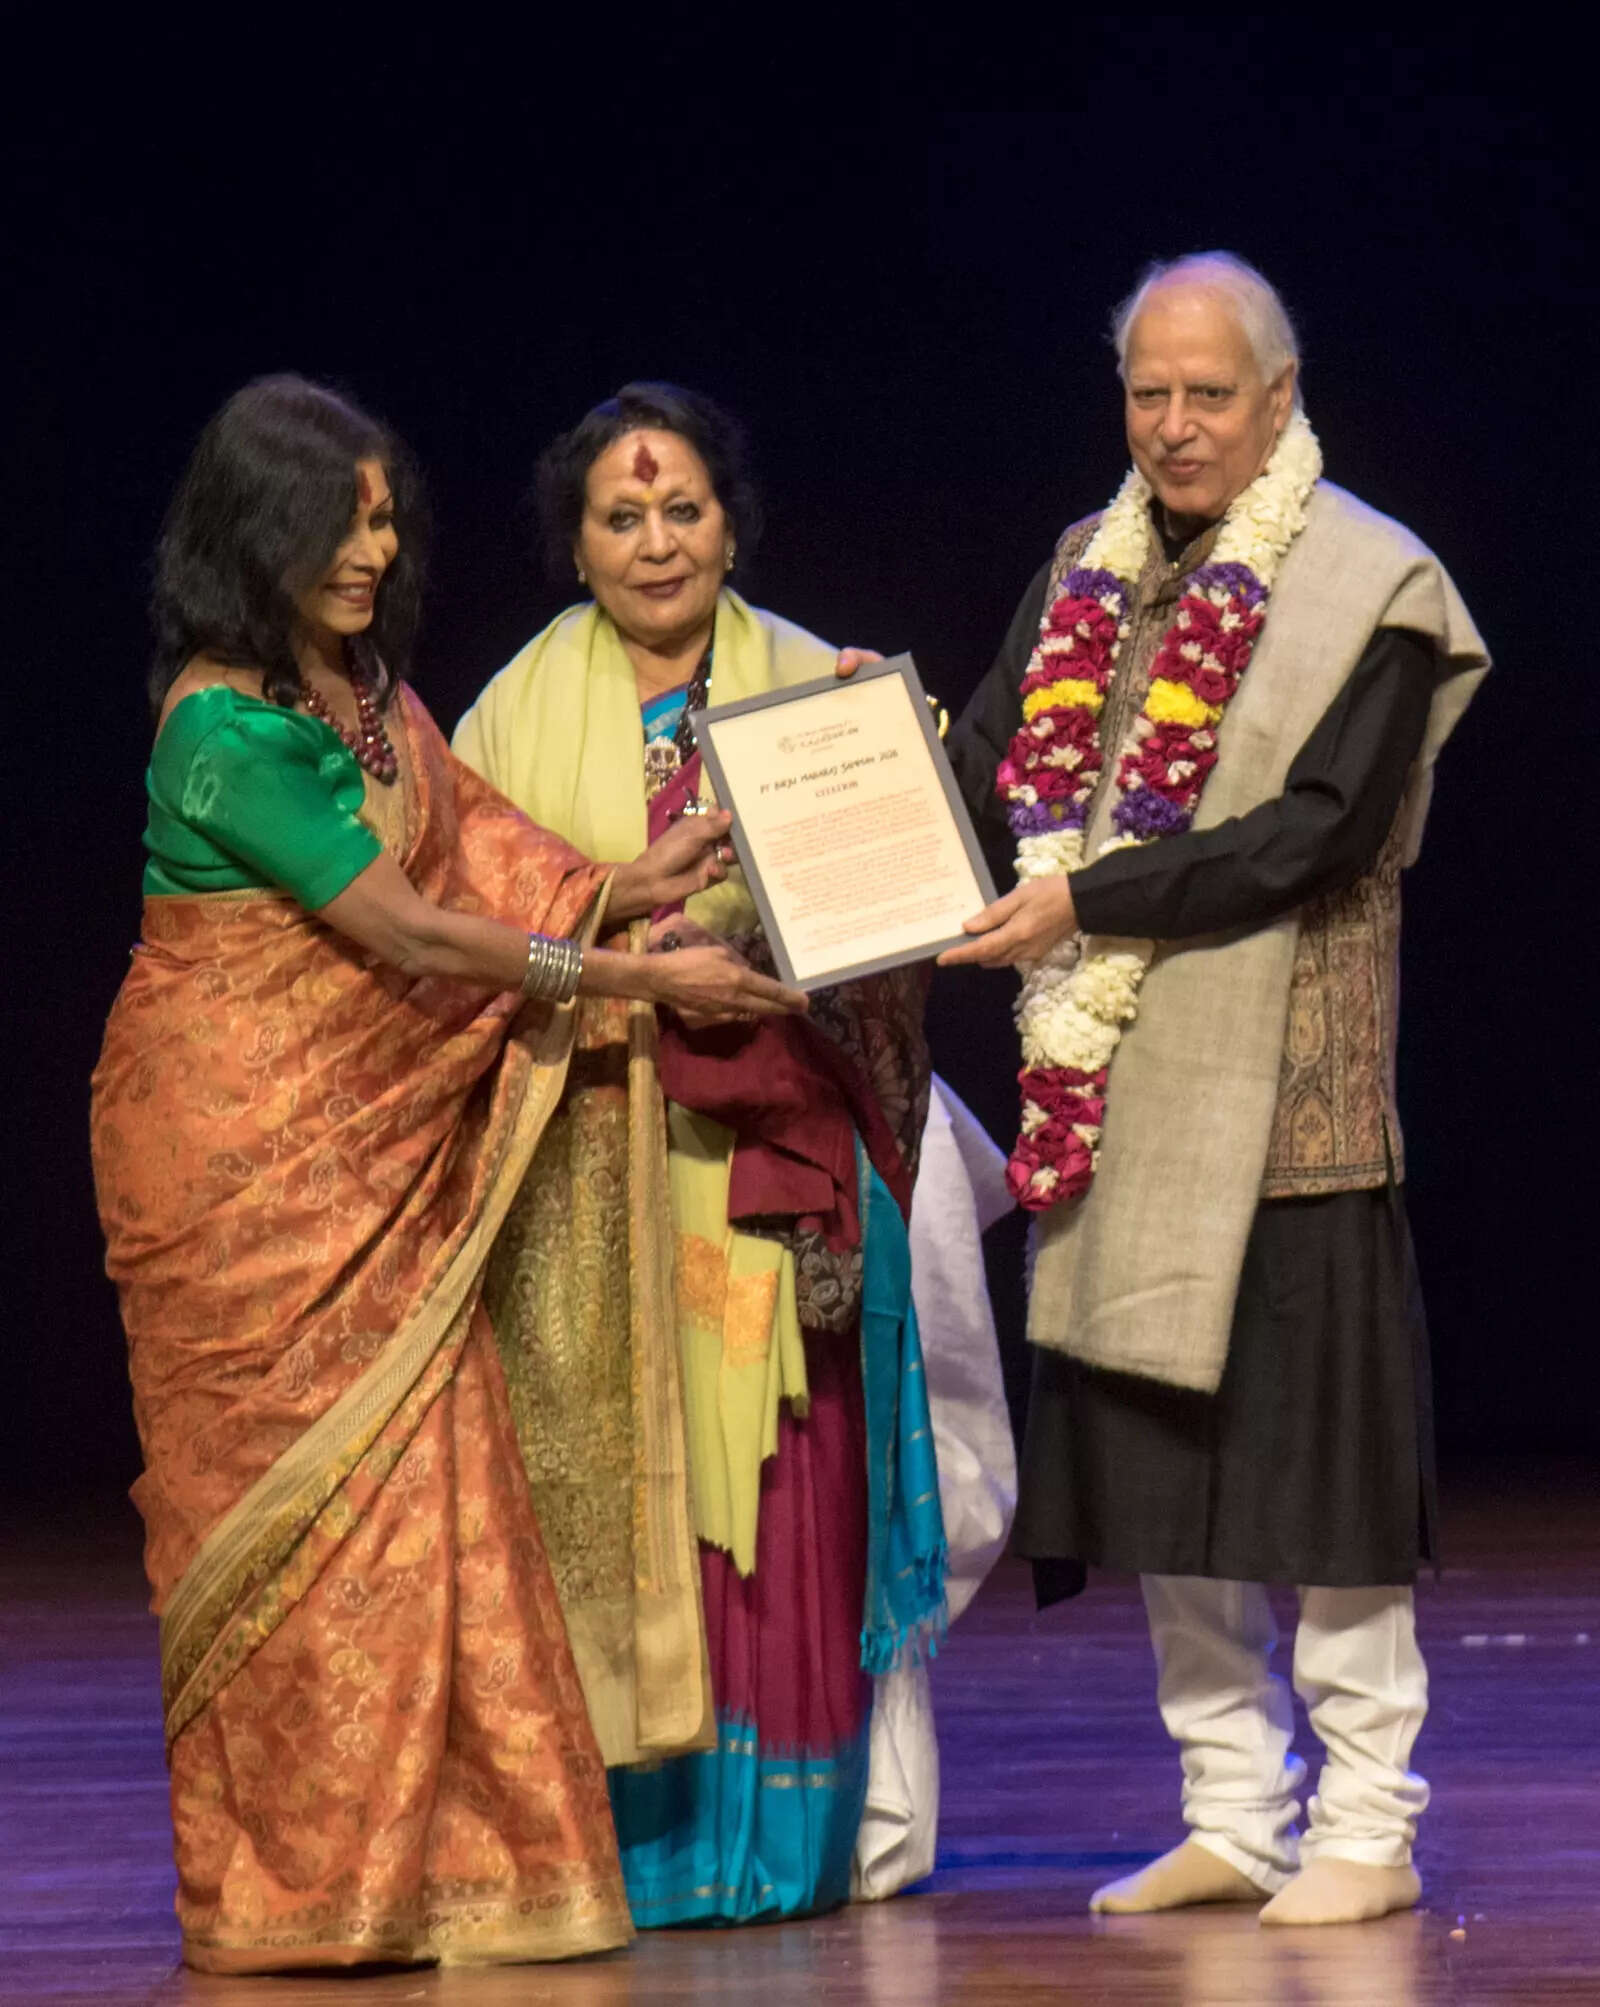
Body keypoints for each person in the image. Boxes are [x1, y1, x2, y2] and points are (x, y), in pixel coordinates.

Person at [89, 376, 805, 1973]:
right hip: (242, 1170)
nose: (377, 548)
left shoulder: (366, 688)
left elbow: (478, 849)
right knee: (294, 1527)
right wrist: (637, 979)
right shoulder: (222, 729)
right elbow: (407, 932)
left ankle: (460, 1881)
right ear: (256, 533)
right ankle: (296, 1896)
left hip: (379, 1169)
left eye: (387, 515)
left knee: (440, 1490)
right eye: (345, 521)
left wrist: (631, 884)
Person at [939, 254, 1488, 1927]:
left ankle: (1369, 1830)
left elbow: (1312, 832)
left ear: (1279, 393)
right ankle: (1236, 1812)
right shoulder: (1081, 571)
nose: (1175, 427)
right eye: (1148, 394)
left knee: (1316, 1484)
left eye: (1208, 394)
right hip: (1116, 1101)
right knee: (1165, 1472)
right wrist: (845, 762)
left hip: (1293, 1116)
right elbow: (977, 767)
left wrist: (1086, 904)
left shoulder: (1373, 585)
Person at [452, 383, 948, 1924]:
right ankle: (635, 1847)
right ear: (575, 546)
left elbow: (898, 936)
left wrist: (898, 784)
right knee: (620, 1498)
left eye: (684, 511)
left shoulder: (820, 687)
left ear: (732, 523)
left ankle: (783, 1843)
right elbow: (458, 945)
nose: (658, 541)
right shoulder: (503, 720)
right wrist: (628, 962)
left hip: (775, 1167)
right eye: (622, 516)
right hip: (590, 1166)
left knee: (785, 1489)